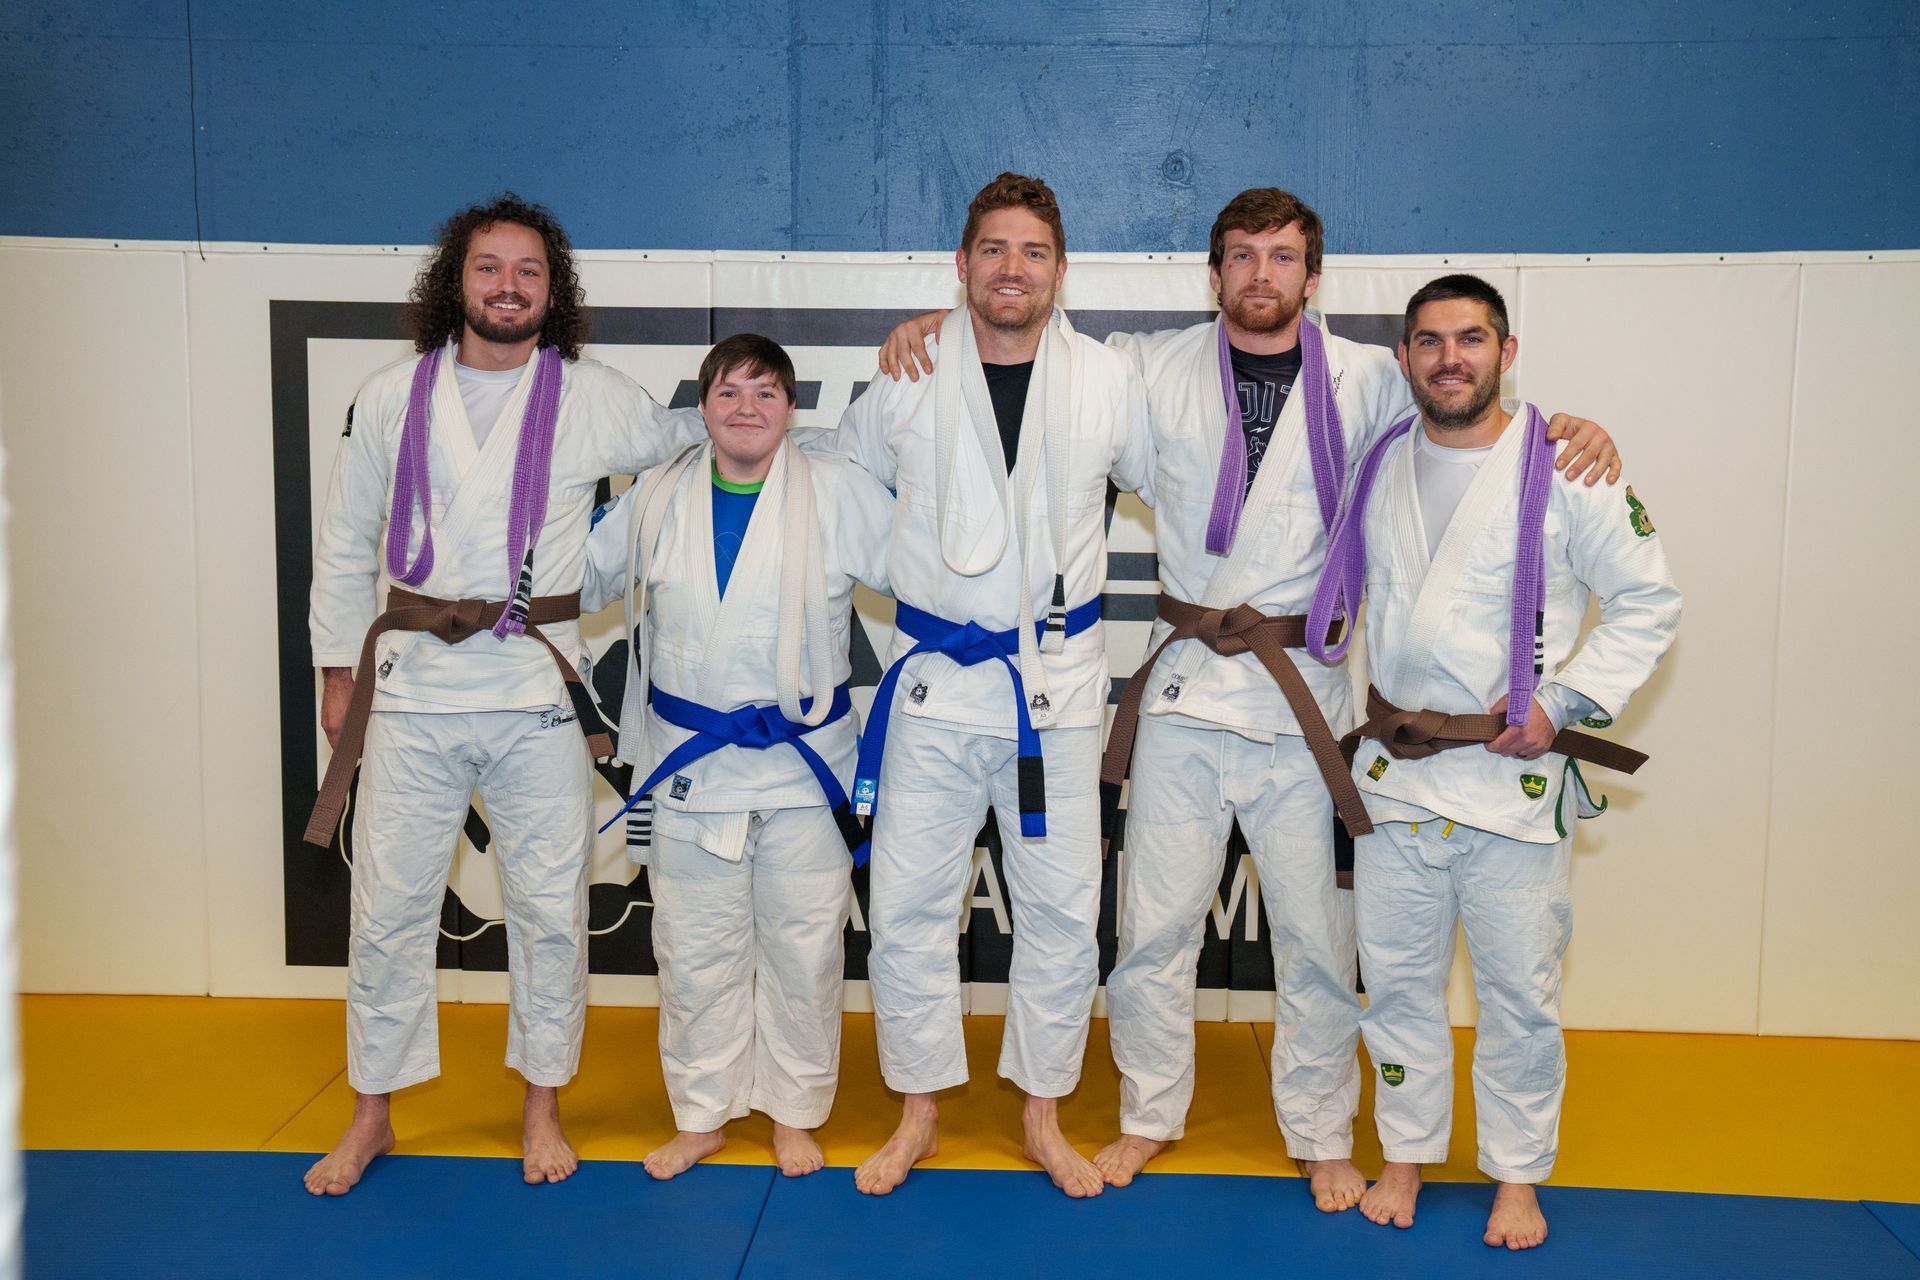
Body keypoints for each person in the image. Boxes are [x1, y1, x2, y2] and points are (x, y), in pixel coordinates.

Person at [876, 188, 1622, 1209]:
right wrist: (939, 326)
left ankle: (1319, 1130)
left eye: (1281, 256)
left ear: (1312, 276)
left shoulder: (1370, 378)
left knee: (1315, 937)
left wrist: (1567, 430)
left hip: (1301, 696)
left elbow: (1469, 422)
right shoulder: (1148, 369)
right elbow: (1029, 352)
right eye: (1240, 255)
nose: (1260, 274)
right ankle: (1149, 1112)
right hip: (1186, 688)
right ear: (1214, 270)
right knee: (1153, 930)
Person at [302, 193, 702, 1196]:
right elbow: (346, 539)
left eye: (529, 270)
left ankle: (542, 1104)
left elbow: (704, 428)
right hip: (413, 686)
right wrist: (337, 670)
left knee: (550, 907)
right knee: (387, 908)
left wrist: (783, 393)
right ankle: (371, 1113)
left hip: (534, 685)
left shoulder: (591, 396)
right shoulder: (390, 396)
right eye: (490, 267)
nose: (508, 286)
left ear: (552, 291)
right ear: (458, 280)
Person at [1313, 273, 1679, 1247]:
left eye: (1471, 338)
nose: (1451, 358)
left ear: (1506, 352)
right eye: (1430, 342)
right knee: (1398, 985)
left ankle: (1518, 1176)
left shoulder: (1568, 467)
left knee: (1520, 995)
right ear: (1405, 358)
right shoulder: (1379, 460)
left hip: (1509, 785)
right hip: (1397, 777)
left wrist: (1561, 703)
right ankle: (1404, 1153)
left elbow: (1650, 602)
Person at [816, 173, 1155, 1198]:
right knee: (909, 907)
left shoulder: (1108, 380)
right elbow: (836, 483)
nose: (1014, 268)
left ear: (1061, 270)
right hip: (931, 688)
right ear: (962, 265)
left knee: (1060, 912)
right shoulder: (908, 374)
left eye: (1034, 252)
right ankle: (918, 1112)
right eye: (995, 250)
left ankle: (1042, 1113)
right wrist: (904, 569)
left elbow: (1180, 477)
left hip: (1056, 690)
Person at [579, 335, 893, 1180]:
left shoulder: (838, 489)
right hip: (690, 764)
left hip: (806, 766)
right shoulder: (655, 495)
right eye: (728, 392)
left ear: (791, 409)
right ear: (703, 407)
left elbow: (925, 574)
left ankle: (794, 1113)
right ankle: (702, 1115)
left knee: (805, 949)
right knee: (694, 950)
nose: (746, 408)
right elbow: (580, 580)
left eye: (765, 393)